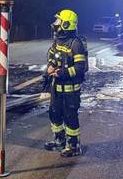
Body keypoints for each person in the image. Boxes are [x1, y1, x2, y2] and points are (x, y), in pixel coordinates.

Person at [44, 9, 88, 157]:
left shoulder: (76, 44)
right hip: (56, 87)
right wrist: (50, 67)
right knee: (54, 113)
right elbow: (52, 57)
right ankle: (59, 140)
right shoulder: (57, 41)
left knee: (70, 116)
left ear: (66, 24)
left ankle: (73, 146)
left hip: (71, 90)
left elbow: (80, 68)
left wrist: (63, 73)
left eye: (58, 21)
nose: (55, 24)